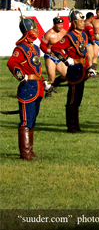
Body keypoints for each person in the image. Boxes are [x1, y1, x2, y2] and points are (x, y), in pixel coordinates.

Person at [49, 10, 96, 133]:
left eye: (83, 20)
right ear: (74, 23)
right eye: (80, 21)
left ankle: (76, 125)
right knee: (73, 98)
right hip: (74, 69)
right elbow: (55, 48)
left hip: (82, 68)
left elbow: (84, 55)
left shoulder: (84, 36)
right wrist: (66, 60)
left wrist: (89, 67)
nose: (83, 23)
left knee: (78, 98)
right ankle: (71, 126)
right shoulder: (70, 36)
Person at [7, 15, 46, 160]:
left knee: (33, 118)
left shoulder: (35, 48)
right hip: (27, 87)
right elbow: (12, 63)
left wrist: (44, 82)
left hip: (37, 85)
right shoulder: (21, 48)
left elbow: (36, 68)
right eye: (33, 28)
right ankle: (25, 153)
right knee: (25, 120)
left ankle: (30, 150)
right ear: (28, 30)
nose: (35, 30)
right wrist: (20, 77)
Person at [41, 15, 67, 85]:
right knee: (51, 77)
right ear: (54, 25)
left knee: (66, 75)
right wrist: (48, 51)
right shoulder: (48, 34)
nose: (60, 26)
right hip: (50, 57)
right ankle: (48, 92)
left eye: (61, 24)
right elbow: (42, 45)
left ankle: (55, 84)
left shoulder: (64, 32)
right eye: (58, 24)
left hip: (60, 56)